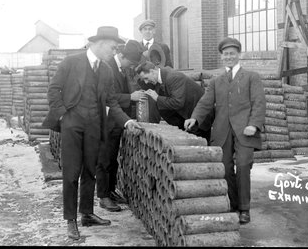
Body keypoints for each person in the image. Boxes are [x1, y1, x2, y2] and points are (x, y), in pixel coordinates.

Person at [42, 26, 142, 240]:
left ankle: (86, 214)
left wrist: (127, 122)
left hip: (95, 126)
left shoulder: (106, 70)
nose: (114, 52)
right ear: (100, 43)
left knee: (90, 171)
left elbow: (111, 101)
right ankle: (71, 220)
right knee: (71, 174)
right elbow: (53, 90)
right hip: (72, 125)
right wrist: (62, 116)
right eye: (113, 48)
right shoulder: (71, 62)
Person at [184, 37, 266, 224]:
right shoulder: (216, 81)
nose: (229, 57)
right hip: (222, 131)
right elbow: (206, 102)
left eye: (232, 53)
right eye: (225, 54)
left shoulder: (252, 77)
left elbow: (259, 102)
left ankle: (245, 209)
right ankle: (234, 204)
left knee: (244, 166)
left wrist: (254, 124)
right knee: (226, 168)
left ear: (239, 55)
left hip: (246, 130)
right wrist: (194, 117)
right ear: (221, 57)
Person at [96, 40, 146, 212]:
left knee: (112, 160)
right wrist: (129, 97)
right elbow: (106, 98)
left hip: (116, 123)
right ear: (122, 56)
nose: (130, 66)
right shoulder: (107, 67)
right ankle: (103, 196)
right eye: (130, 63)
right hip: (106, 123)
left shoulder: (119, 68)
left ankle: (110, 190)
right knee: (104, 160)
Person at [136, 61, 211, 142]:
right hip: (187, 119)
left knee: (201, 147)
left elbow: (178, 102)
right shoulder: (159, 79)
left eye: (146, 78)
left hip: (199, 119)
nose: (146, 82)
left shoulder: (173, 77)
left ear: (152, 71)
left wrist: (157, 98)